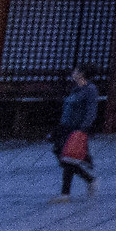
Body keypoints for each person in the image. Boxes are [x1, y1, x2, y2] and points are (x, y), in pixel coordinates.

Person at [49, 66, 100, 202]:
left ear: (82, 74)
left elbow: (91, 111)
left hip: (76, 128)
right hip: (65, 126)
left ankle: (65, 194)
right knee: (63, 157)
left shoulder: (90, 90)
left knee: (68, 159)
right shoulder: (76, 89)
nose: (73, 74)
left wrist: (83, 128)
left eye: (76, 71)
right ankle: (89, 179)